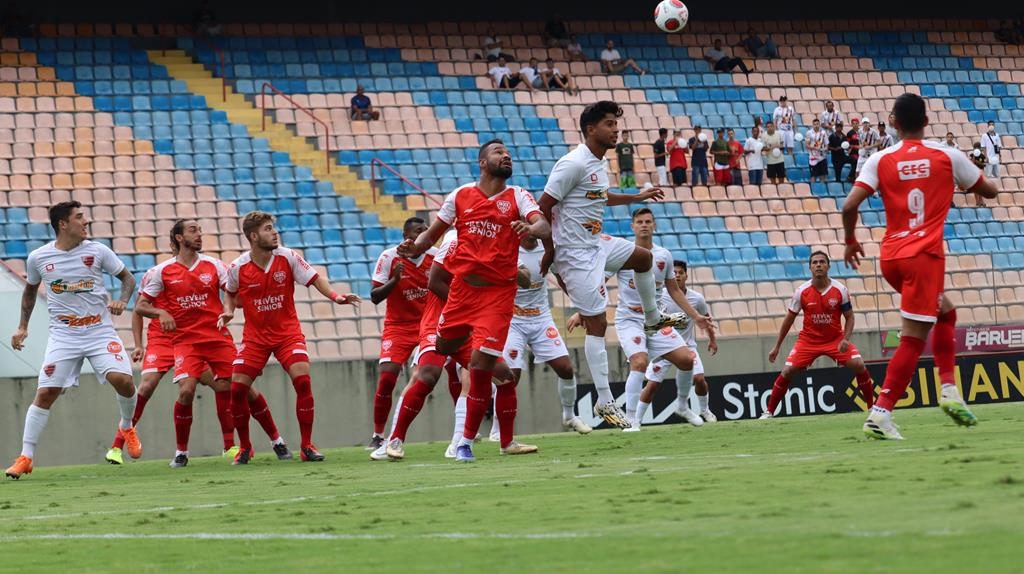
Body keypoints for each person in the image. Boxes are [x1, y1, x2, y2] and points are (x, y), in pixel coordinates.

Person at [538, 101, 711, 429]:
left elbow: (598, 197)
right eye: (608, 124)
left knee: (644, 258)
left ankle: (651, 318)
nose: (616, 129)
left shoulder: (598, 162)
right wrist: (550, 253)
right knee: (597, 324)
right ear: (591, 129)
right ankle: (604, 399)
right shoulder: (572, 163)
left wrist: (634, 198)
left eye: (615, 123)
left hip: (597, 243)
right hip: (574, 256)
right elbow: (543, 205)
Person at [842, 92, 998, 440]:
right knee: (912, 339)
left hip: (891, 258)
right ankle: (880, 414)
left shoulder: (879, 159)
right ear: (927, 122)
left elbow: (849, 206)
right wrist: (977, 176)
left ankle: (949, 390)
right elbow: (989, 191)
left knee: (945, 311)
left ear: (893, 122)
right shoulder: (947, 155)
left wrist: (851, 240)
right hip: (924, 258)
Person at [397, 139, 551, 462]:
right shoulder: (460, 196)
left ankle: (465, 442)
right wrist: (417, 247)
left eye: (508, 152)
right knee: (444, 347)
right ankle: (489, 436)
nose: (506, 155)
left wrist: (533, 228)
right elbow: (434, 232)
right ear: (482, 162)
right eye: (498, 152)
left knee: (480, 366)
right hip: (462, 292)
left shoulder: (518, 196)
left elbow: (543, 223)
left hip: (497, 296)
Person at [6, 201, 142, 479]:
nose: (86, 221)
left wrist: (122, 300)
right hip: (64, 335)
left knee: (124, 380)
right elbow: (30, 292)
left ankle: (126, 425)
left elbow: (128, 279)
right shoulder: (38, 258)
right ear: (63, 224)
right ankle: (25, 457)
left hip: (98, 331)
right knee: (45, 393)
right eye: (80, 217)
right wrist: (22, 327)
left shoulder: (98, 251)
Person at [136, 220, 286, 468]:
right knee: (186, 391)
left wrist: (236, 305)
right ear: (178, 237)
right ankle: (181, 452)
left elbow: (234, 293)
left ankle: (276, 440)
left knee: (243, 387)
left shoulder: (214, 265)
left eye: (200, 231)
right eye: (193, 231)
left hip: (217, 337)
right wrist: (161, 314)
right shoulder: (162, 271)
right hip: (186, 342)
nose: (199, 235)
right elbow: (141, 305)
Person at [220, 211, 360, 463]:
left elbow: (316, 279)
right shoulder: (237, 267)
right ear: (253, 236)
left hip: (287, 334)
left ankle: (307, 445)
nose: (274, 232)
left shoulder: (288, 256)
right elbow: (230, 293)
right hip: (255, 338)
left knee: (303, 381)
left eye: (273, 228)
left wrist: (336, 297)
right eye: (267, 229)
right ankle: (245, 447)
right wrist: (228, 311)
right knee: (237, 389)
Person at [567, 208, 701, 431]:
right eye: (640, 222)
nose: (644, 225)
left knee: (687, 360)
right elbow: (599, 282)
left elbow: (674, 290)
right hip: (629, 319)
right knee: (639, 362)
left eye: (648, 221)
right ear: (633, 226)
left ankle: (682, 406)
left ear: (654, 225)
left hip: (656, 320)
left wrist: (696, 316)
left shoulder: (664, 256)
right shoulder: (623, 253)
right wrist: (582, 312)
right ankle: (632, 420)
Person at [105, 246, 240, 466]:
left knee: (222, 385)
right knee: (146, 386)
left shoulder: (200, 270)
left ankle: (229, 445)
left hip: (189, 339)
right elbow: (139, 310)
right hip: (161, 339)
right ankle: (117, 447)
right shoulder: (156, 273)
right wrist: (139, 344)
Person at [495, 234, 592, 437]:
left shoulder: (547, 249)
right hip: (513, 320)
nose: (532, 228)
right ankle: (498, 429)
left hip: (541, 319)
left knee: (566, 368)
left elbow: (561, 278)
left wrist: (581, 305)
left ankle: (569, 415)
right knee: (510, 377)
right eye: (527, 222)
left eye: (536, 223)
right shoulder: (507, 247)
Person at [761, 251, 875, 419]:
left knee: (859, 364)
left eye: (822, 262)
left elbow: (850, 317)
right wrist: (777, 346)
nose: (818, 265)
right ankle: (769, 412)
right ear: (810, 268)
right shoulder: (801, 291)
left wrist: (846, 338)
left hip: (835, 339)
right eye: (815, 263)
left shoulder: (840, 290)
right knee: (787, 371)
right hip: (809, 341)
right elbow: (789, 319)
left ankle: (872, 408)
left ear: (828, 266)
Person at [364, 217, 435, 451]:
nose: (423, 234)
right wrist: (395, 279)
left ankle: (465, 434)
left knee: (446, 372)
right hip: (399, 326)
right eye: (418, 231)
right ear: (406, 236)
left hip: (429, 324)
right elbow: (374, 296)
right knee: (387, 378)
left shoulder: (436, 255)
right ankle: (378, 435)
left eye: (426, 230)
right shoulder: (389, 257)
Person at [645, 261, 719, 423]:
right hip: (664, 348)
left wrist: (712, 340)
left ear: (686, 275)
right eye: (674, 273)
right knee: (651, 386)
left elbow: (706, 320)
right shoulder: (659, 295)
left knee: (699, 379)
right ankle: (634, 419)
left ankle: (705, 411)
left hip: (687, 346)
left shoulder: (697, 299)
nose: (677, 275)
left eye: (681, 273)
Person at [806, 118, 829, 184]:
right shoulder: (809, 133)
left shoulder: (823, 133)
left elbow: (827, 145)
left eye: (817, 124)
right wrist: (815, 148)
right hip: (813, 158)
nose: (816, 125)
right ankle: (813, 191)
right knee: (813, 176)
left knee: (822, 175)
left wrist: (825, 149)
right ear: (812, 125)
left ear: (819, 125)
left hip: (822, 157)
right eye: (815, 124)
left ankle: (822, 191)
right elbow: (807, 145)